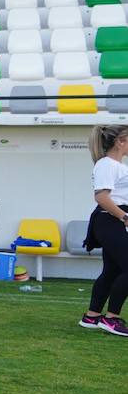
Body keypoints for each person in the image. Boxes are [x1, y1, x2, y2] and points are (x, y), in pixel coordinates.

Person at [81, 126, 128, 336]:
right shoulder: (107, 164)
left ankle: (92, 316)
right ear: (120, 141)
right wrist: (124, 217)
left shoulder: (116, 165)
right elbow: (101, 197)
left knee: (112, 271)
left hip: (113, 220)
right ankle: (112, 318)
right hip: (110, 220)